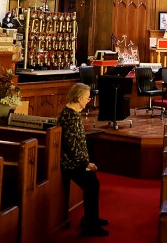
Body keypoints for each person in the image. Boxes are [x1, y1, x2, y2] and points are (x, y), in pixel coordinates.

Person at [57, 83, 109, 237]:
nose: (89, 100)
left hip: (76, 161)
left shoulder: (72, 112)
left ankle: (91, 219)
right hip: (71, 163)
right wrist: (86, 164)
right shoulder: (70, 117)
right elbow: (72, 146)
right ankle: (90, 225)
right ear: (78, 97)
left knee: (93, 184)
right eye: (87, 97)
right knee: (92, 185)